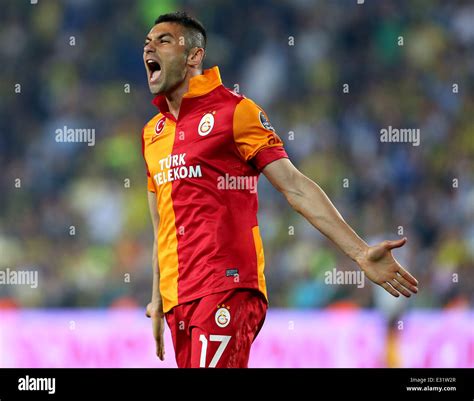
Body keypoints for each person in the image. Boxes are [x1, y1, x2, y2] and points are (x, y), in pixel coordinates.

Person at [142, 11, 418, 368]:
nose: (150, 45)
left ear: (194, 55)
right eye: (147, 41)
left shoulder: (235, 112)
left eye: (163, 40)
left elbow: (295, 186)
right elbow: (161, 225)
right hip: (179, 298)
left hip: (226, 287)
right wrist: (157, 299)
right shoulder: (153, 133)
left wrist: (360, 253)